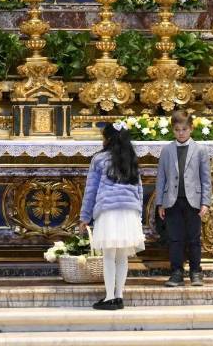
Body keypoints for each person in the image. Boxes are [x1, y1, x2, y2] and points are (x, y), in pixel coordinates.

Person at [79, 124, 145, 310]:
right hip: (129, 210)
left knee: (108, 256)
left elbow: (91, 190)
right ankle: (119, 296)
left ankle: (109, 297)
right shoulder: (131, 158)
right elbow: (139, 188)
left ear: (107, 139)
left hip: (109, 210)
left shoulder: (99, 159)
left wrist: (85, 217)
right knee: (122, 256)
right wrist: (138, 213)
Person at [155, 109, 211, 287]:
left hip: (193, 201)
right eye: (177, 130)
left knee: (194, 238)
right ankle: (176, 272)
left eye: (184, 130)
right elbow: (161, 178)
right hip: (172, 201)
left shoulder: (200, 150)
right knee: (175, 238)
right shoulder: (167, 150)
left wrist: (205, 202)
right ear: (173, 130)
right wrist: (160, 203)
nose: (181, 133)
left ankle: (195, 271)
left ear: (191, 129)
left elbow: (206, 178)